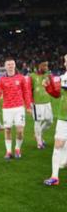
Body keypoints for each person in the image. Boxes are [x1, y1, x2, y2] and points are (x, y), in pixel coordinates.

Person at [0, 57, 32, 159]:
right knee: (7, 130)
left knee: (20, 131)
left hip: (19, 108)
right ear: (5, 66)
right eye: (8, 64)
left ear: (15, 65)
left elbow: (26, 92)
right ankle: (8, 151)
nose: (10, 66)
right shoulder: (2, 79)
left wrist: (28, 106)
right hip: (7, 108)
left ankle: (17, 148)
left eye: (12, 64)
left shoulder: (21, 78)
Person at [44, 54, 67, 186]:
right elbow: (57, 95)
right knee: (58, 144)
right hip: (63, 118)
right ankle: (54, 176)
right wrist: (48, 86)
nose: (66, 63)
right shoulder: (63, 78)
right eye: (65, 61)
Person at [29, 61, 54, 149]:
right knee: (38, 121)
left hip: (47, 101)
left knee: (50, 121)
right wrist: (30, 103)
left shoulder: (48, 74)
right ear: (39, 65)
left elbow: (52, 86)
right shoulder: (32, 76)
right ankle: (39, 142)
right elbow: (29, 90)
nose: (46, 67)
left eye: (47, 65)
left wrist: (50, 78)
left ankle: (38, 134)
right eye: (44, 65)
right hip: (37, 103)